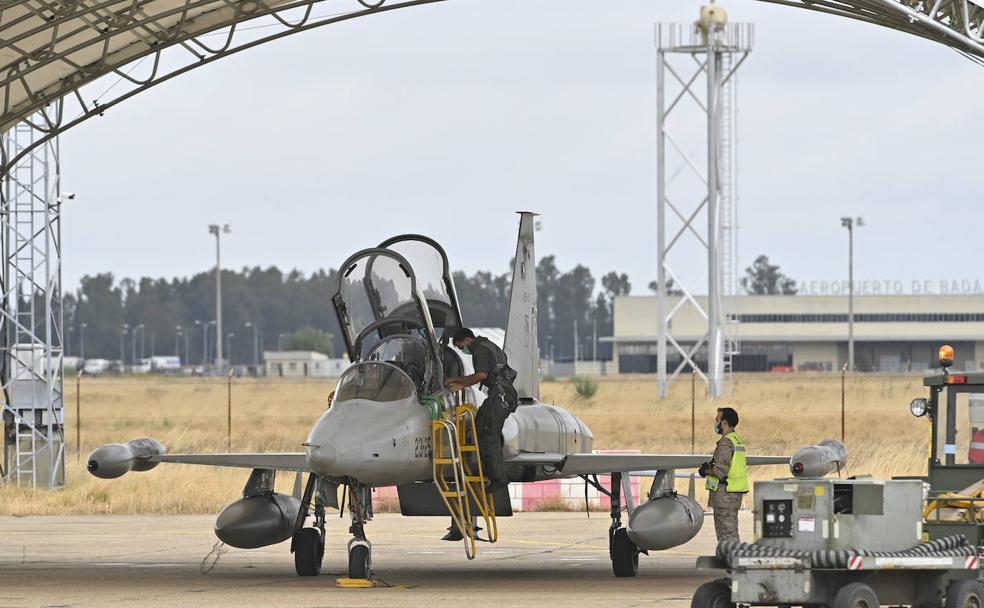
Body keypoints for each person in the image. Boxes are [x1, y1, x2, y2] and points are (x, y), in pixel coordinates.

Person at [439, 328, 518, 542]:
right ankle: (489, 471)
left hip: (500, 394)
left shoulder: (480, 350)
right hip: (502, 393)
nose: (461, 350)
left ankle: (497, 478)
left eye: (461, 346)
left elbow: (482, 375)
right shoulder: (489, 345)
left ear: (467, 339)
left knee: (486, 432)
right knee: (480, 426)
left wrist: (459, 382)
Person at [698, 407, 748, 543]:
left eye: (717, 420)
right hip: (733, 493)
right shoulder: (737, 440)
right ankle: (730, 556)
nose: (716, 422)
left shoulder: (726, 443)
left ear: (724, 423)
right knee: (730, 529)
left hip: (725, 494)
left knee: (726, 532)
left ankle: (731, 556)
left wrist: (705, 470)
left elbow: (720, 471)